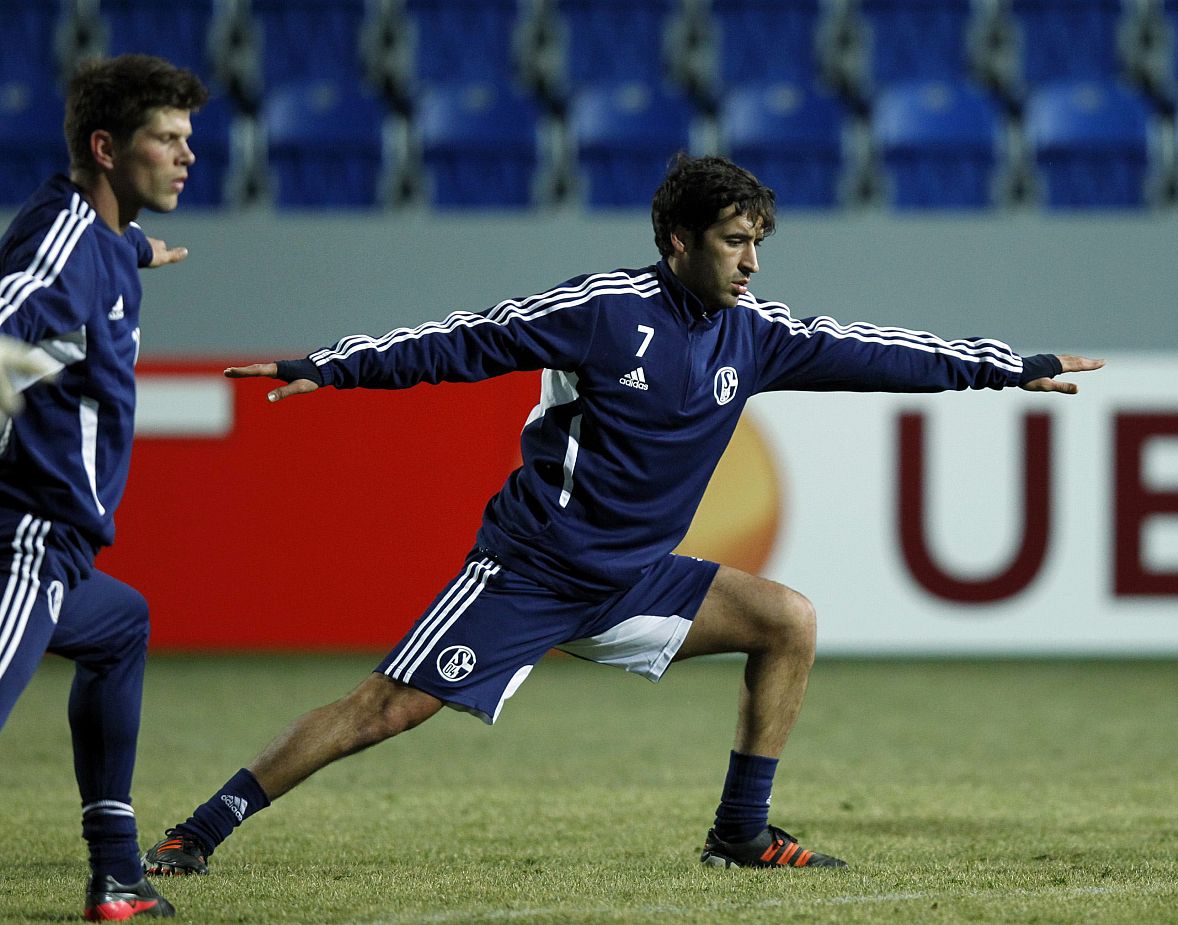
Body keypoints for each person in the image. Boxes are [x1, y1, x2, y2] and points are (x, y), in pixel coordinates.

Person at [143, 154, 1103, 877]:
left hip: (635, 576)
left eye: (759, 241)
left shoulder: (753, 333)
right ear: (677, 241)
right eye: (735, 240)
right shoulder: (603, 311)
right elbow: (467, 341)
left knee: (788, 619)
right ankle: (200, 829)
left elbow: (877, 352)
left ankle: (739, 833)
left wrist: (1006, 365)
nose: (752, 261)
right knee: (389, 707)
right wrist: (332, 363)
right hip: (534, 568)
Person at [0, 54, 207, 920]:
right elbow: (15, 313)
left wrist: (140, 252)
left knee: (121, 625)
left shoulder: (105, 238)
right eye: (165, 138)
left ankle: (118, 872)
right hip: (22, 537)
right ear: (105, 146)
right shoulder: (64, 248)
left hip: (62, 549)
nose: (186, 155)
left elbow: (106, 251)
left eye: (188, 137)